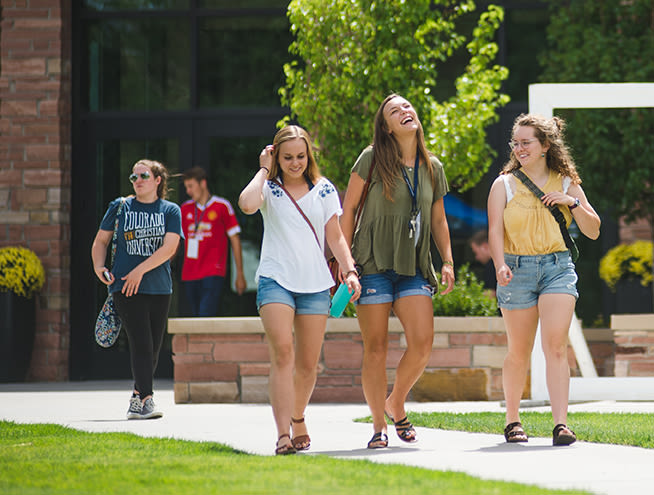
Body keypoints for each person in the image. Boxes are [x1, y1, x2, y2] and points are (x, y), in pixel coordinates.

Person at [238, 125, 362, 455]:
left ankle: (298, 417)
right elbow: (247, 205)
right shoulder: (269, 187)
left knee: (308, 365)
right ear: (276, 156)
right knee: (283, 353)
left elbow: (335, 237)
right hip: (276, 279)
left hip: (316, 284)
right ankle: (281, 435)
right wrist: (264, 169)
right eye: (288, 157)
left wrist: (349, 271)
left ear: (309, 156)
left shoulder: (324, 190)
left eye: (301, 157)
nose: (295, 163)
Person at [341, 94, 455, 449]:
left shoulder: (432, 166)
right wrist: (344, 267)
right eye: (395, 111)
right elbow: (347, 212)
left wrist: (448, 260)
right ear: (386, 127)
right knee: (375, 349)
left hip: (414, 266)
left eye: (407, 106)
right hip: (371, 264)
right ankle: (379, 426)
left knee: (422, 345)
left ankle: (396, 402)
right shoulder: (371, 157)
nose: (405, 111)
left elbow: (438, 219)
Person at [487, 114, 600, 446]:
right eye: (516, 143)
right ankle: (512, 420)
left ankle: (561, 424)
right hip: (516, 268)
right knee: (518, 352)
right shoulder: (504, 184)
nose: (519, 149)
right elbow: (495, 230)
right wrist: (499, 265)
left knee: (556, 345)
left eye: (526, 143)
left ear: (545, 145)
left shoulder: (566, 182)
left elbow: (593, 230)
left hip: (557, 267)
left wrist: (573, 202)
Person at [91, 159, 183, 420]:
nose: (137, 180)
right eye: (133, 177)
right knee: (141, 342)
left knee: (153, 347)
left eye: (143, 175)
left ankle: (135, 397)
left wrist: (140, 271)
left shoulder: (170, 210)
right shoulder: (120, 207)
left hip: (159, 287)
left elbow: (170, 248)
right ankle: (147, 399)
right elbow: (101, 240)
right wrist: (99, 267)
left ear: (157, 180)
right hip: (125, 287)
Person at [180, 166, 246, 316]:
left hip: (213, 270)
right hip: (189, 272)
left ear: (202, 183)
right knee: (193, 317)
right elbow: (175, 240)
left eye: (191, 186)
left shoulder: (222, 206)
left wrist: (240, 274)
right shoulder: (184, 209)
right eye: (186, 187)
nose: (188, 191)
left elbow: (235, 240)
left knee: (205, 315)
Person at [469, 230, 497, 298]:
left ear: (485, 246)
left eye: (476, 253)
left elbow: (492, 294)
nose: (476, 258)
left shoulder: (491, 266)